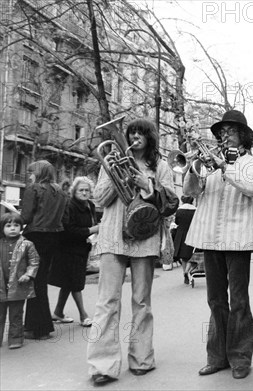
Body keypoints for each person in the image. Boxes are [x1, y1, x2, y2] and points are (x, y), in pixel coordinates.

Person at [87, 118, 176, 386]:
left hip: (145, 238)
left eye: (141, 134)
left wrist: (147, 185)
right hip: (113, 237)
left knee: (141, 302)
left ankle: (141, 358)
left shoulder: (160, 166)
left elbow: (171, 202)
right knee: (107, 302)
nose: (135, 137)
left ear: (150, 138)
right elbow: (99, 199)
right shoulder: (111, 161)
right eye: (131, 133)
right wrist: (117, 176)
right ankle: (102, 365)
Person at [184, 110, 253, 380]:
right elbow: (191, 192)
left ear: (242, 135)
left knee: (239, 300)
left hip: (239, 238)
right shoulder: (208, 163)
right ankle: (217, 356)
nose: (224, 136)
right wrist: (193, 167)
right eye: (222, 132)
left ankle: (240, 357)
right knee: (215, 299)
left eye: (230, 131)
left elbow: (252, 188)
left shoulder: (252, 162)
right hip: (210, 236)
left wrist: (223, 167)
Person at [21, 160, 68, 340]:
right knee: (40, 282)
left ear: (38, 173)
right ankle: (38, 326)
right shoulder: (61, 193)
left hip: (35, 236)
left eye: (31, 172)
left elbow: (26, 216)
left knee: (33, 282)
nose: (29, 175)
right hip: (53, 238)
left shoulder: (33, 189)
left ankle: (38, 328)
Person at [48, 176, 99, 327]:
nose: (84, 193)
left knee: (69, 282)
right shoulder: (69, 205)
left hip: (82, 248)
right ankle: (84, 316)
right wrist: (91, 230)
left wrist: (92, 234)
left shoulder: (90, 205)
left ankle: (58, 312)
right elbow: (67, 230)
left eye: (87, 190)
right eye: (81, 190)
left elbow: (91, 224)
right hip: (68, 249)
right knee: (75, 282)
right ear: (74, 191)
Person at [0, 213, 39, 349]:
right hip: (1, 285)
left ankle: (16, 339)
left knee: (16, 314)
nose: (12, 228)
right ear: (2, 227)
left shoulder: (27, 244)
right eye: (8, 225)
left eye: (16, 225)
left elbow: (34, 261)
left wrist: (29, 275)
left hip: (18, 285)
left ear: (21, 227)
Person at [172, 195, 196, 284]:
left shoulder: (179, 210)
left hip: (181, 234)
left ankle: (184, 272)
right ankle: (187, 271)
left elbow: (176, 222)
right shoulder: (195, 210)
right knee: (191, 255)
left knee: (183, 256)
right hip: (192, 233)